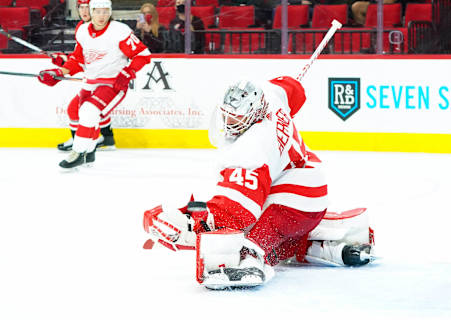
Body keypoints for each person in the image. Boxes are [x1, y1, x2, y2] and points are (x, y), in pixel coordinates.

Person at [143, 76, 375, 289]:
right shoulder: (269, 95)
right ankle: (313, 245)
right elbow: (293, 90)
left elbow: (237, 213)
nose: (230, 121)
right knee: (273, 233)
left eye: (237, 117)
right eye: (227, 114)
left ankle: (249, 260)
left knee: (248, 238)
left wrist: (192, 224)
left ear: (254, 113)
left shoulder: (253, 147)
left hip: (295, 203)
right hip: (309, 188)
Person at [37, 0, 151, 169]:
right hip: (91, 83)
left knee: (89, 110)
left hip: (113, 85)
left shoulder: (119, 31)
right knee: (77, 110)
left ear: (110, 12)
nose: (102, 16)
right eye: (97, 11)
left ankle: (79, 152)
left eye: (106, 11)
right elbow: (77, 60)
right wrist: (58, 73)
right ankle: (88, 152)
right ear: (91, 12)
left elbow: (143, 55)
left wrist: (128, 73)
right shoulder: (83, 31)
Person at [53, 0, 117, 152]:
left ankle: (80, 143)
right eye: (80, 7)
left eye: (87, 7)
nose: (84, 11)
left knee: (76, 109)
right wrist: (64, 61)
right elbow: (81, 57)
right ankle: (107, 139)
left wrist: (67, 64)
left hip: (106, 79)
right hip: (94, 78)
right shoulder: (81, 28)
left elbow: (93, 58)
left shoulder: (108, 29)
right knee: (91, 109)